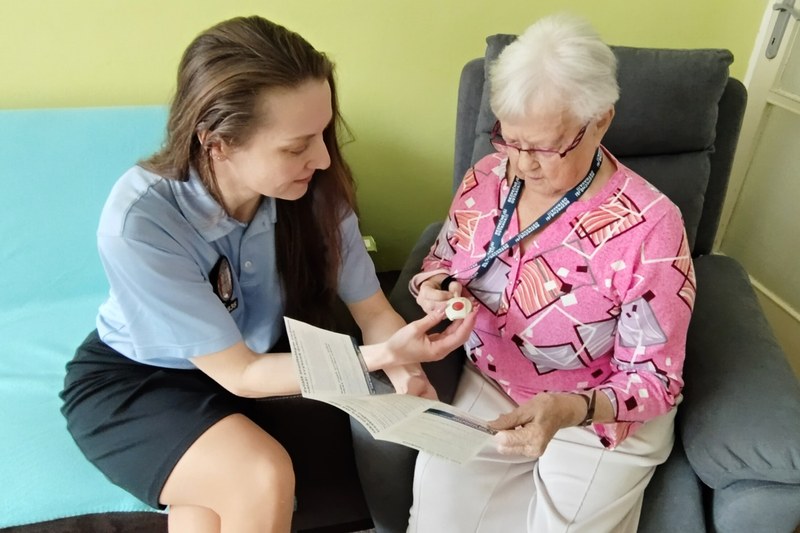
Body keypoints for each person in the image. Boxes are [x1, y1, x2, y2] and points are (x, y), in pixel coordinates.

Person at [59, 15, 476, 533]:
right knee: (259, 476)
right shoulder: (140, 222)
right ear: (218, 141)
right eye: (296, 146)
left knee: (211, 504)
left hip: (258, 372)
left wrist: (407, 370)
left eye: (323, 134)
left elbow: (373, 311)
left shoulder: (312, 192)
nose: (323, 158)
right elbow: (240, 372)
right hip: (144, 380)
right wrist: (378, 357)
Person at [407, 14, 694, 533]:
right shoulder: (486, 178)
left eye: (542, 147)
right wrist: (433, 288)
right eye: (508, 139)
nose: (520, 164)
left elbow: (656, 379)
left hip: (598, 410)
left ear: (601, 120)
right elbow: (441, 260)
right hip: (493, 382)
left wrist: (568, 410)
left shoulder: (652, 228)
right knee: (434, 512)